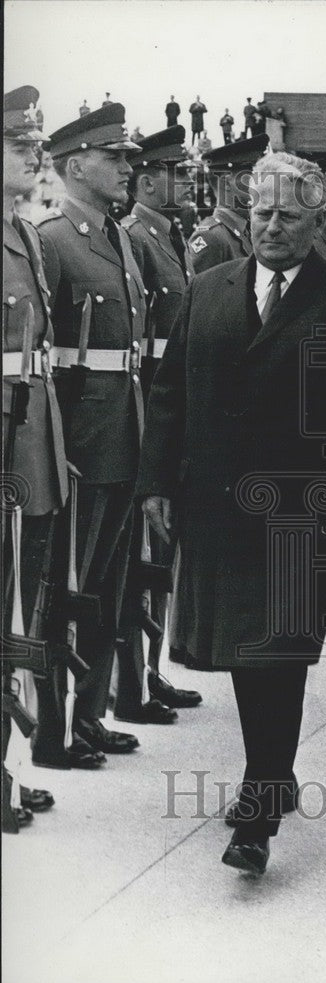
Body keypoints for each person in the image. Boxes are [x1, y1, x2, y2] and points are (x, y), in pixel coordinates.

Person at [136, 151, 326, 876]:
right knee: (247, 655)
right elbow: (168, 393)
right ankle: (273, 775)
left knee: (276, 655)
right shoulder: (208, 287)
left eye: (287, 215)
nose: (271, 227)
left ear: (316, 220)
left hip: (305, 512)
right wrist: (155, 483)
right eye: (260, 213)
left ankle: (257, 803)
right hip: (218, 506)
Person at [38, 103, 146, 760]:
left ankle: (89, 713)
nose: (128, 167)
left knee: (106, 588)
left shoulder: (118, 238)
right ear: (77, 165)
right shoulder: (52, 241)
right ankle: (53, 729)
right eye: (116, 157)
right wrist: (55, 447)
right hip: (80, 443)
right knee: (67, 588)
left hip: (123, 436)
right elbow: (41, 357)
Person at [117, 125, 202, 721]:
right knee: (137, 557)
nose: (181, 182)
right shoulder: (137, 238)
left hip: (169, 405)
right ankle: (134, 682)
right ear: (149, 180)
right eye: (172, 173)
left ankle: (150, 671)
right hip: (143, 404)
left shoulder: (165, 238)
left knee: (155, 553)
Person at [3, 86, 70, 823]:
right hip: (6, 440)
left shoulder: (22, 232)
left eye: (34, 145)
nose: (34, 155)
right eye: (19, 146)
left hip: (29, 439)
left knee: (14, 609)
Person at [187, 134, 269, 274]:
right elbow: (203, 293)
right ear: (226, 183)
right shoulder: (211, 238)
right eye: (252, 176)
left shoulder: (247, 227)